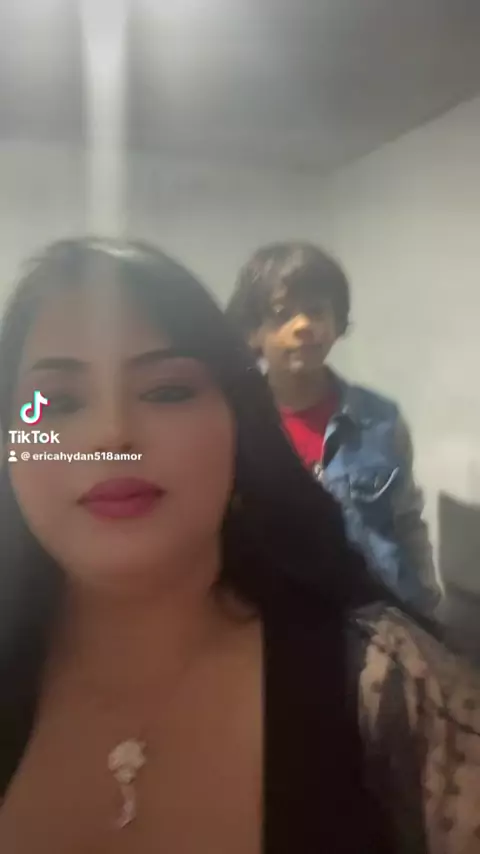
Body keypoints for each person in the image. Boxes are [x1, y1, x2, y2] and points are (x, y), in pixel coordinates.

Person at [0, 238, 478, 854]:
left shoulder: (391, 688)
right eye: (57, 402)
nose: (111, 435)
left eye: (167, 391)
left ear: (239, 425)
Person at [227, 241, 441, 614]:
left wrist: (426, 609)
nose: (303, 326)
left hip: (379, 617)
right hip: (275, 619)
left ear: (337, 323)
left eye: (316, 311)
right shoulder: (232, 422)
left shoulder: (380, 419)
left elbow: (406, 521)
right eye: (282, 314)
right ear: (253, 332)